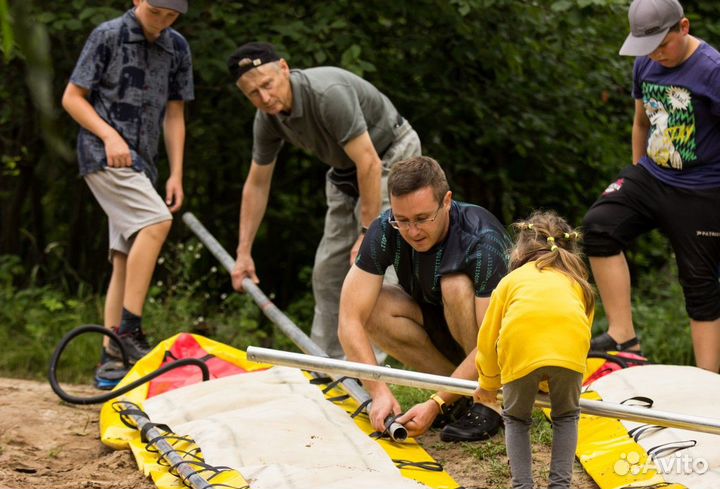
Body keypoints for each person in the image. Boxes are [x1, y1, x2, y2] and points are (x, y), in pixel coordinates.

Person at [227, 42, 421, 359]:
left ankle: (367, 373)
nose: (264, 98)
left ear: (285, 69)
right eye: (253, 94)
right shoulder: (267, 119)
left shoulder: (327, 93)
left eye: (268, 84)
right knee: (327, 270)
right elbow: (257, 184)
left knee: (373, 269)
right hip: (345, 170)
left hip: (391, 154)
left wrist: (366, 234)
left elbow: (370, 164)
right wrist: (243, 252)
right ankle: (327, 366)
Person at [583, 0, 720, 373]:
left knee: (699, 282)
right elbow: (641, 122)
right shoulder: (645, 62)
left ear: (684, 27)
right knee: (599, 226)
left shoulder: (712, 71)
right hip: (653, 174)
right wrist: (636, 175)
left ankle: (708, 384)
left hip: (704, 188)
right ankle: (624, 338)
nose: (656, 54)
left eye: (662, 44)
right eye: (648, 47)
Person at [61, 0, 193, 387]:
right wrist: (108, 134)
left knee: (124, 256)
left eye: (171, 16)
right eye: (156, 12)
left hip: (145, 167)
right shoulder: (107, 35)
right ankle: (129, 331)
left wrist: (176, 174)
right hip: (104, 156)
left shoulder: (177, 47)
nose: (162, 22)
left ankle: (111, 360)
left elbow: (175, 114)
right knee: (156, 222)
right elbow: (72, 97)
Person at [338, 156, 511, 441]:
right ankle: (460, 395)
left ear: (446, 201)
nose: (413, 231)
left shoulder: (482, 240)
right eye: (402, 220)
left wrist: (435, 403)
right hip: (442, 330)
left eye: (422, 219)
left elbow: (494, 342)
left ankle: (487, 401)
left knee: (454, 284)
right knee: (372, 307)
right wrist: (377, 391)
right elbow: (349, 319)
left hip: (499, 351)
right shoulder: (384, 229)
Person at [475, 211, 594, 489]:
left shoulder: (510, 282)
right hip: (569, 356)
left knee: (516, 418)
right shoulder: (579, 285)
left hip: (520, 351)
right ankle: (559, 485)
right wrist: (551, 381)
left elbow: (488, 337)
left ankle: (523, 485)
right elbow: (579, 337)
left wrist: (488, 384)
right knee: (566, 415)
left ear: (520, 248)